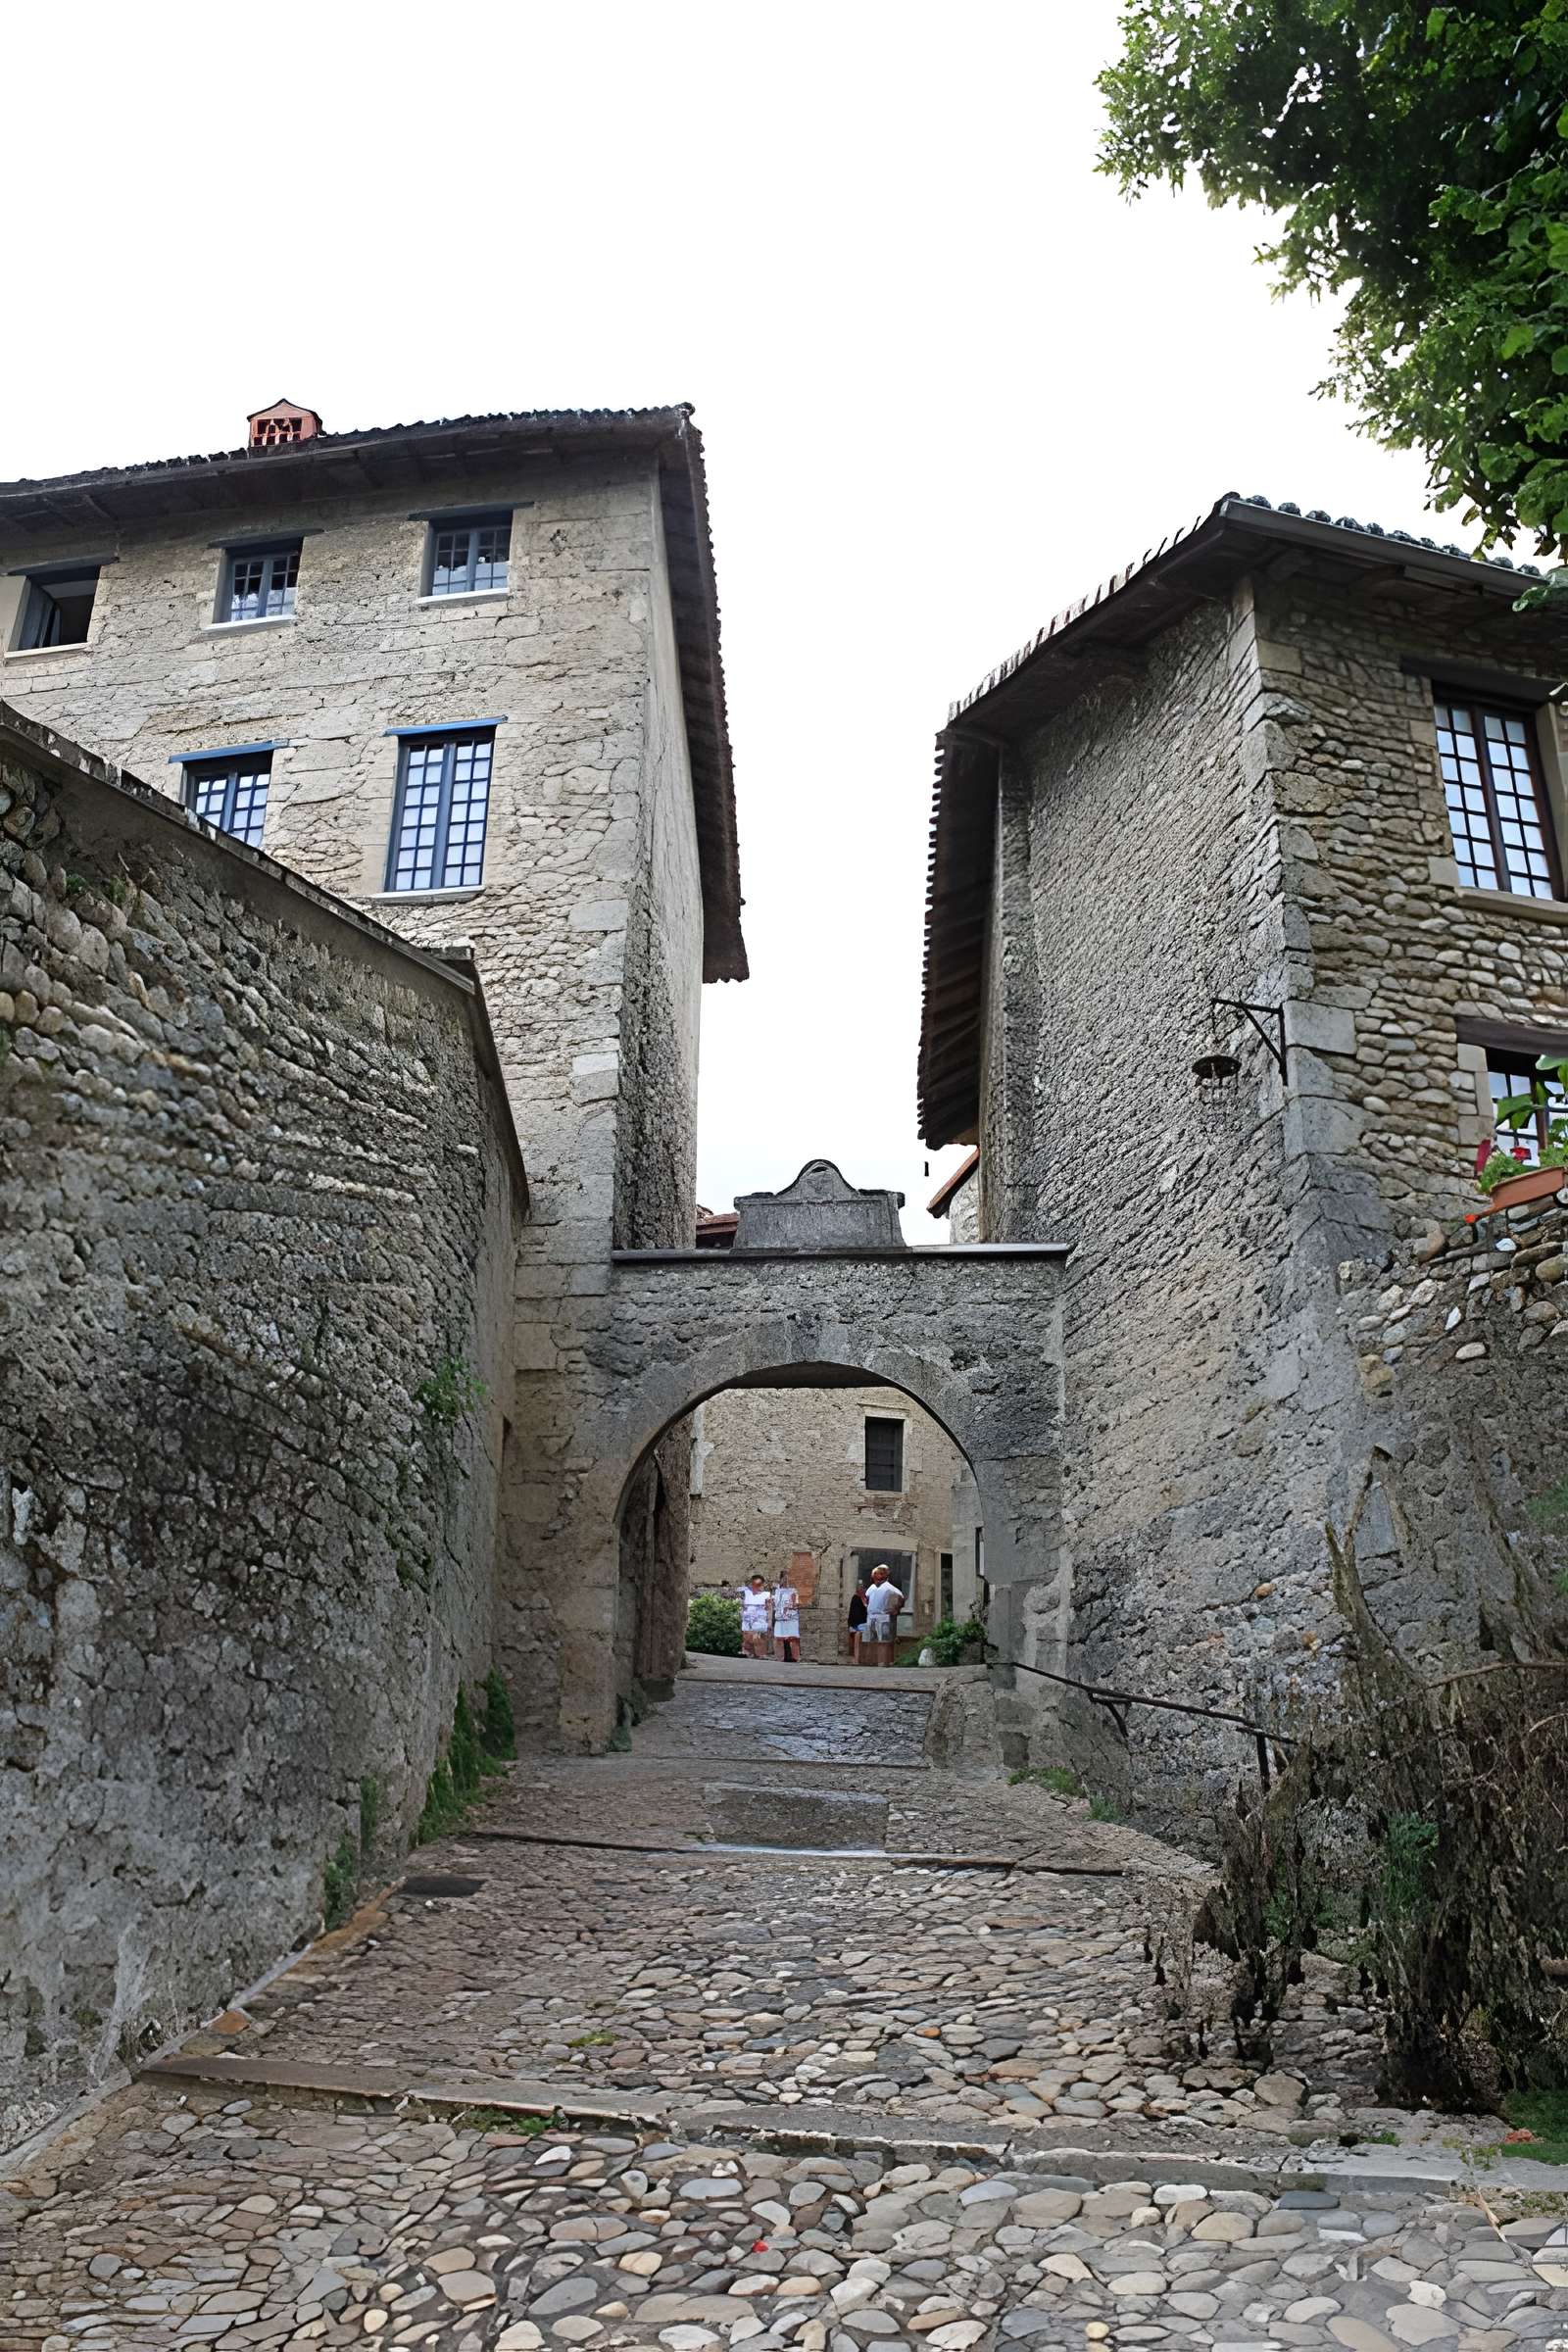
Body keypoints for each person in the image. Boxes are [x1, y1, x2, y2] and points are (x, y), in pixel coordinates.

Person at [861, 1563, 905, 1666]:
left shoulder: (890, 1588)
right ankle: (872, 1661)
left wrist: (896, 1609)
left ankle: (884, 1661)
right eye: (876, 1574)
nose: (877, 1576)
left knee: (884, 1641)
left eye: (880, 1573)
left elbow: (901, 1598)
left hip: (883, 1617)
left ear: (885, 1575)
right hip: (871, 1616)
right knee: (871, 1640)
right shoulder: (871, 1588)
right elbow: (866, 1599)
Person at [738, 1575, 771, 1659]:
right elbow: (742, 1607)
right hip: (747, 1621)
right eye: (755, 1584)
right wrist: (742, 1615)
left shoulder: (766, 1595)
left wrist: (769, 1621)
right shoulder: (746, 1594)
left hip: (760, 1620)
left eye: (759, 1584)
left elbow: (769, 1608)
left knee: (759, 1638)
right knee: (748, 1637)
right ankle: (749, 1653)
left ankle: (761, 1654)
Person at [771, 1572, 802, 1663]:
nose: (786, 1581)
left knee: (793, 1639)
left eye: (788, 1579)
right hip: (779, 1618)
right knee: (778, 1639)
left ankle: (796, 1658)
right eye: (784, 1579)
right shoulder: (776, 1591)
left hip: (791, 1618)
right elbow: (773, 1604)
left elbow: (797, 1604)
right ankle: (780, 1658)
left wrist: (790, 1605)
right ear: (781, 1579)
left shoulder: (794, 1591)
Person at [847, 1577, 869, 1663]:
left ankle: (866, 1657)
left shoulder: (866, 1599)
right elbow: (855, 1615)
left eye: (863, 1588)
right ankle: (856, 1657)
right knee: (858, 1634)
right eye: (860, 1588)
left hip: (864, 1623)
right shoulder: (855, 1598)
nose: (862, 1589)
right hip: (856, 1624)